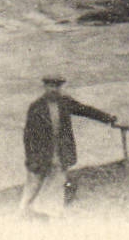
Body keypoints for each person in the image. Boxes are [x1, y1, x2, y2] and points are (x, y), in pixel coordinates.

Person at [19, 75, 116, 216]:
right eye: (50, 86)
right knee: (34, 181)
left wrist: (107, 118)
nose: (53, 90)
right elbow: (28, 135)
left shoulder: (64, 102)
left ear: (60, 88)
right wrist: (31, 157)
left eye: (56, 87)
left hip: (60, 149)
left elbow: (85, 110)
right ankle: (23, 209)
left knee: (58, 179)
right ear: (45, 87)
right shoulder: (36, 107)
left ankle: (52, 211)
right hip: (41, 151)